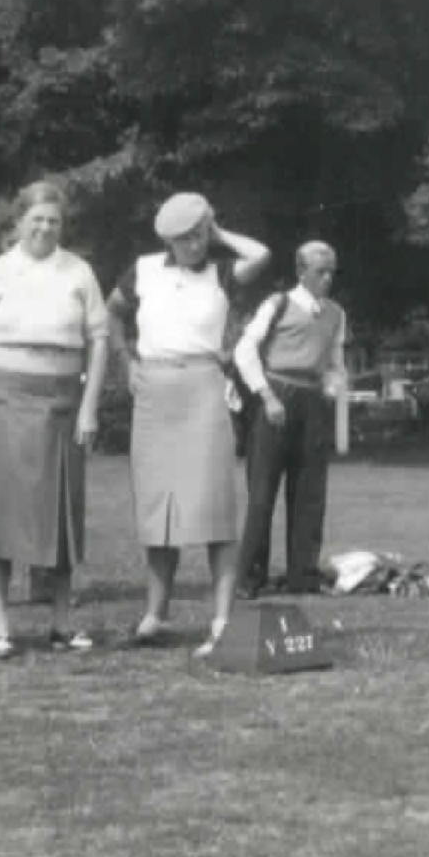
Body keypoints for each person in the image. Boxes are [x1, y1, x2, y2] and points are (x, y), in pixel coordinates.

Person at [108, 193, 271, 655]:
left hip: (203, 388)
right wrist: (127, 361)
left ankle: (221, 622)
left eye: (200, 233)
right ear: (167, 240)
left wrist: (219, 234)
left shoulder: (222, 272)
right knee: (160, 510)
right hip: (155, 391)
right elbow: (112, 311)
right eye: (185, 237)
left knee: (213, 507)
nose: (195, 244)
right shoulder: (143, 270)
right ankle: (154, 616)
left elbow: (260, 255)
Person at [0, 181, 109, 657]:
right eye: (37, 219)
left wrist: (89, 406)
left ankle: (62, 622)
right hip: (0, 398)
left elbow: (99, 342)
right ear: (18, 222)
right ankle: (1, 624)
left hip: (62, 402)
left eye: (54, 220)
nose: (45, 227)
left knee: (61, 516)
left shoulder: (79, 272)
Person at [233, 241, 349, 598]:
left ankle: (304, 576)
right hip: (276, 395)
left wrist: (333, 389)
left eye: (331, 271)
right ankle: (250, 579)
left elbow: (335, 362)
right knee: (262, 492)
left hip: (313, 403)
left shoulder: (335, 314)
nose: (327, 278)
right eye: (320, 271)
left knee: (311, 493)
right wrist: (266, 395)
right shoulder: (277, 304)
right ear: (302, 271)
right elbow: (244, 349)